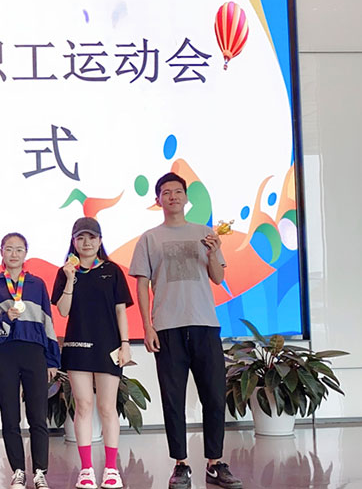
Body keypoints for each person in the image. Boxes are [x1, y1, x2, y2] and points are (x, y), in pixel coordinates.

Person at [129, 172, 242, 489]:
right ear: (158, 200)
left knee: (214, 397)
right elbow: (141, 285)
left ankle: (215, 463)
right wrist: (147, 326)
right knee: (172, 399)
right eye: (166, 192)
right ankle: (180, 464)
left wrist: (213, 252)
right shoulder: (149, 238)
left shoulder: (205, 234)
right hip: (167, 328)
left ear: (186, 197)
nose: (173, 196)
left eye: (178, 191)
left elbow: (218, 278)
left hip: (205, 325)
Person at [51, 217, 133, 489]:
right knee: (83, 405)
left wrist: (125, 343)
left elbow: (120, 311)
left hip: (108, 347)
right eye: (80, 238)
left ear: (100, 241)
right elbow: (63, 311)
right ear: (73, 242)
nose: (86, 243)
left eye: (91, 237)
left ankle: (111, 469)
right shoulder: (65, 272)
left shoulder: (112, 270)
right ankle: (86, 469)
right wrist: (70, 279)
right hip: (78, 347)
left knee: (107, 407)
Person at [0, 232, 61, 489]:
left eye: (19, 249)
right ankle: (17, 470)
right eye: (9, 249)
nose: (13, 254)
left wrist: (52, 359)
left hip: (34, 352)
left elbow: (48, 321)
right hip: (5, 353)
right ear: (1, 253)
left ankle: (40, 471)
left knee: (38, 415)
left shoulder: (37, 284)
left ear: (26, 253)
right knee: (9, 415)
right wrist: (5, 317)